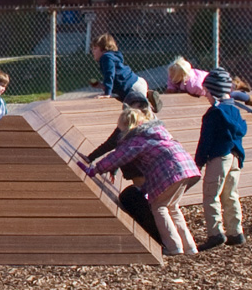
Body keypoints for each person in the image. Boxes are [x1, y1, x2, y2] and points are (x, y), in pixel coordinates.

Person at [81, 101, 200, 255]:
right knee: (172, 207)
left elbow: (118, 157)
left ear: (127, 126)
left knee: (159, 207)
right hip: (188, 169)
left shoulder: (136, 139)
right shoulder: (157, 132)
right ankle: (190, 247)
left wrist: (96, 170)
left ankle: (174, 247)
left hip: (172, 173)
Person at [191, 68, 248, 251]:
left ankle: (215, 233)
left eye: (207, 91)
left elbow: (206, 140)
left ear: (214, 91)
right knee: (231, 195)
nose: (205, 94)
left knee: (211, 195)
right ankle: (235, 232)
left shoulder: (214, 113)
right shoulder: (235, 110)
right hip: (235, 157)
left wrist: (198, 162)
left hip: (219, 157)